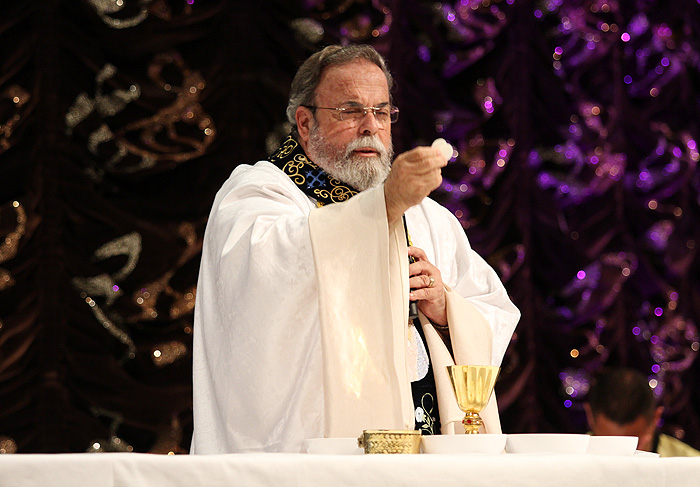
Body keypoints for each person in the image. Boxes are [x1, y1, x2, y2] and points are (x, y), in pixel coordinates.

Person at [190, 44, 520, 454]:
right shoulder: (258, 195)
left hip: (427, 454)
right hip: (303, 458)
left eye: (382, 111)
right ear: (305, 123)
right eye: (350, 110)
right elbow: (269, 277)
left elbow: (493, 308)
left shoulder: (425, 216)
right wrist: (380, 210)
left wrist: (446, 308)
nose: (371, 126)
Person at [584, 367, 700, 457]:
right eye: (607, 444)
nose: (619, 458)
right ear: (589, 415)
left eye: (634, 445)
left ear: (656, 418)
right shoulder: (567, 464)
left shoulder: (693, 468)